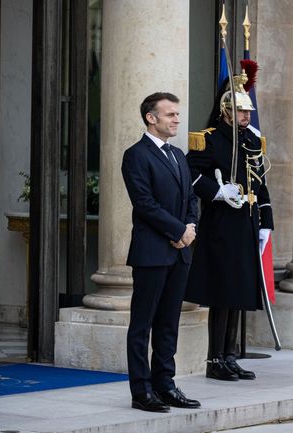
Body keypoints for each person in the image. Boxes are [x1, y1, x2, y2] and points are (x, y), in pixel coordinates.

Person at [185, 71, 273, 381]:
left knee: (238, 291)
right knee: (222, 293)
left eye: (248, 111)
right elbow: (189, 173)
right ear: (225, 111)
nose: (246, 116)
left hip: (247, 222)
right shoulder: (209, 139)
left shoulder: (252, 140)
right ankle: (214, 359)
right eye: (240, 110)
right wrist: (217, 191)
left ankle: (230, 355)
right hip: (222, 222)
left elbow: (261, 184)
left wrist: (266, 223)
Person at [121, 92, 200, 412]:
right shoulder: (136, 155)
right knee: (142, 324)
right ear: (151, 118)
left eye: (177, 114)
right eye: (170, 114)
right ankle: (141, 391)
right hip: (152, 252)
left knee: (168, 323)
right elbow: (144, 203)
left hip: (180, 252)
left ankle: (165, 384)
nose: (177, 119)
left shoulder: (178, 154)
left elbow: (191, 198)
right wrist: (178, 231)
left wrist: (189, 228)